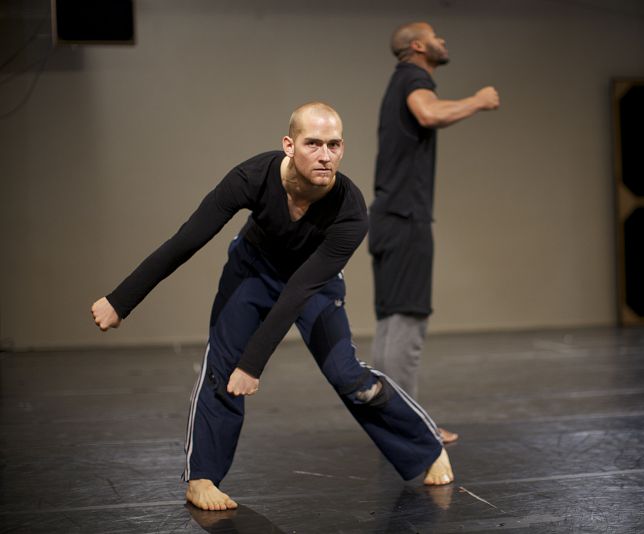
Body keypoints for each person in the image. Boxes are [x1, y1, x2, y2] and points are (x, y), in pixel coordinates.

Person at [91, 102, 454, 512]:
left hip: (313, 282)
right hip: (253, 268)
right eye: (313, 143)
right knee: (222, 366)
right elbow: (186, 241)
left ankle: (425, 447)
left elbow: (300, 290)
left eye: (334, 145)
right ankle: (202, 477)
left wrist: (253, 364)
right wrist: (121, 300)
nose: (325, 155)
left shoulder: (351, 210)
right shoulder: (252, 177)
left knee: (348, 376)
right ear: (289, 145)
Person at [369, 22, 500, 443]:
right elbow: (429, 112)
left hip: (388, 217)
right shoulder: (413, 76)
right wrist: (478, 101)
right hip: (406, 218)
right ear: (418, 46)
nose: (443, 40)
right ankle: (409, 426)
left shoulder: (398, 80)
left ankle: (388, 419)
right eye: (435, 36)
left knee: (392, 323)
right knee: (406, 321)